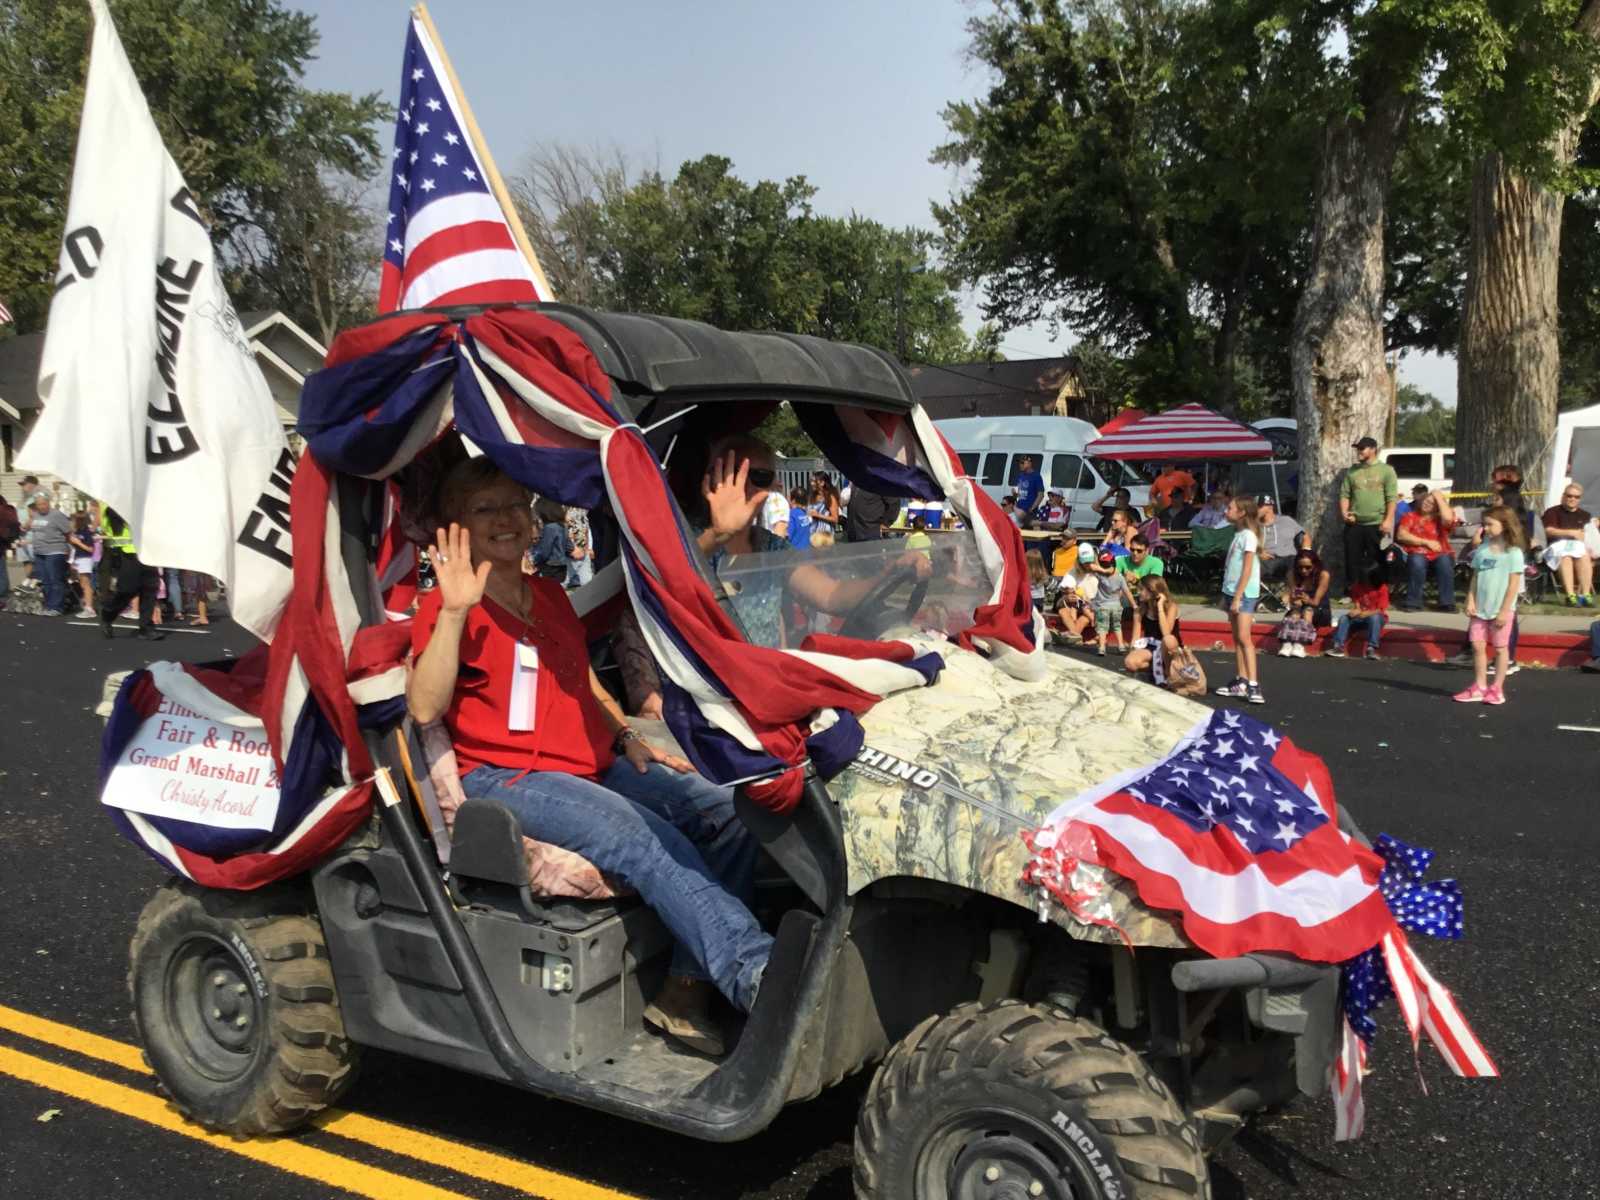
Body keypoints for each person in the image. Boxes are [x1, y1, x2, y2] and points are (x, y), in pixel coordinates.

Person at [408, 458, 773, 1055]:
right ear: (458, 527)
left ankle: (685, 991)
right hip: (509, 777)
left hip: (589, 763)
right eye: (484, 509)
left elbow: (582, 682)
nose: (505, 518)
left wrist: (626, 737)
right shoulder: (449, 606)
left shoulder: (550, 596)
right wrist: (452, 613)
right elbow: (424, 707)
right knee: (642, 837)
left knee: (731, 810)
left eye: (514, 505)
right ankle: (754, 974)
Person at [1455, 505, 1526, 705]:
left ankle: (1497, 688)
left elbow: (1513, 585)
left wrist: (1504, 611)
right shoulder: (1483, 549)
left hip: (1500, 609)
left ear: (1504, 525)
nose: (1485, 528)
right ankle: (1479, 685)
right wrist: (1470, 599)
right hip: (1480, 608)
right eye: (1484, 524)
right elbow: (1476, 577)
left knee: (1500, 648)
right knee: (1477, 645)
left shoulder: (1513, 553)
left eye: (1489, 524)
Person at [1214, 496, 1264, 704]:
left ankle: (1253, 684)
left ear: (1241, 513)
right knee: (1236, 638)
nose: (1226, 511)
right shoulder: (1239, 534)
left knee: (1244, 638)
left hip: (1243, 594)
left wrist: (1237, 597)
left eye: (1230, 508)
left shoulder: (1249, 537)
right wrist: (1227, 594)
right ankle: (1241, 680)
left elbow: (1247, 569)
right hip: (1232, 591)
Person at [1339, 436, 1398, 593]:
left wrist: (1388, 520)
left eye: (1362, 448)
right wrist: (1344, 513)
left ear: (1373, 449)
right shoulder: (1352, 471)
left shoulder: (1386, 470)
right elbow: (1345, 495)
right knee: (1352, 560)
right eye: (1357, 448)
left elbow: (1392, 498)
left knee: (1378, 558)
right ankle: (1353, 592)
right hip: (1355, 523)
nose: (1359, 451)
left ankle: (1377, 591)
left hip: (1377, 523)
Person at [97, 507, 163, 640]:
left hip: (147, 552)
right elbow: (107, 522)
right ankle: (108, 613)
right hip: (127, 554)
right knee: (128, 590)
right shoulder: (114, 505)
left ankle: (146, 629)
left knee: (150, 589)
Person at [1397, 490, 1459, 611]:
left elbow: (1448, 518)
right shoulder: (1410, 516)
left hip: (1441, 552)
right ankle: (1413, 602)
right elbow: (1401, 535)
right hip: (1417, 551)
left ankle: (1447, 603)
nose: (1427, 504)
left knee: (1445, 562)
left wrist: (1438, 497)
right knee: (1417, 561)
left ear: (1437, 506)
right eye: (1426, 501)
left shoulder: (1441, 519)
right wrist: (1426, 542)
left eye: (1432, 503)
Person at [1541, 483, 1594, 606]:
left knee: (1584, 556)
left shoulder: (1585, 515)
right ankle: (1570, 596)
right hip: (1556, 547)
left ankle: (1585, 595)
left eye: (1576, 497)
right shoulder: (1552, 512)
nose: (1572, 499)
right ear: (1563, 496)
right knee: (1566, 557)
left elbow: (1588, 534)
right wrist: (1571, 532)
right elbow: (1548, 531)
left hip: (1578, 547)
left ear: (1580, 499)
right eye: (1569, 496)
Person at [1124, 575, 1184, 685]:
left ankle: (1169, 673)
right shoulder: (1140, 610)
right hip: (1152, 646)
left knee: (1168, 640)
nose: (1138, 592)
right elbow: (1135, 638)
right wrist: (1132, 653)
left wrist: (1160, 607)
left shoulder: (1171, 607)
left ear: (1152, 591)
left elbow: (1166, 633)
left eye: (1141, 589)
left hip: (1170, 648)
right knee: (1130, 662)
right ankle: (1155, 671)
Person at [1276, 549, 1331, 658]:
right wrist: (1291, 598)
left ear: (1315, 565)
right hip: (1300, 608)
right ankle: (1287, 644)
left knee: (1307, 611)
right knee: (1294, 613)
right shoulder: (1292, 574)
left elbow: (1316, 602)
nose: (1303, 570)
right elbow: (1294, 598)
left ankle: (1300, 645)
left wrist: (1307, 599)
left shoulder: (1323, 575)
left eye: (1308, 567)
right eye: (1300, 567)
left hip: (1319, 609)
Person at [26, 492, 73, 616]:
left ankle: (57, 607)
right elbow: (30, 529)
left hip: (54, 551)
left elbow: (68, 531)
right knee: (45, 580)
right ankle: (49, 605)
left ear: (48, 503)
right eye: (39, 504)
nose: (42, 506)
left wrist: (68, 549)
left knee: (55, 579)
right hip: (39, 552)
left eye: (44, 504)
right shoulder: (35, 515)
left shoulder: (56, 515)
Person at [1325, 573, 1389, 659]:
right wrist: (1356, 610)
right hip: (1361, 616)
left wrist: (1367, 613)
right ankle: (1338, 647)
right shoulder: (1357, 586)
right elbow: (1357, 602)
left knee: (1374, 618)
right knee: (1344, 618)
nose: (1363, 579)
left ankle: (1371, 648)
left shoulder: (1382, 588)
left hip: (1375, 617)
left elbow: (1381, 609)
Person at [1053, 542, 1097, 644]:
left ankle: (1070, 637)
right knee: (1063, 611)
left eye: (1089, 561)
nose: (1087, 564)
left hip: (1092, 606)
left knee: (1084, 618)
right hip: (1077, 605)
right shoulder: (1072, 573)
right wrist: (1066, 598)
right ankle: (1076, 637)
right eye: (1084, 562)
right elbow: (1063, 595)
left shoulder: (1099, 571)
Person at [1088, 549, 1127, 656]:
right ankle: (1121, 646)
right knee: (1117, 626)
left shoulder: (1099, 575)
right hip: (1116, 606)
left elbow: (1092, 567)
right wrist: (1134, 604)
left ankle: (1102, 648)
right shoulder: (1120, 577)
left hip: (1103, 606)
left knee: (1102, 628)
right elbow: (1126, 591)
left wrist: (1097, 564)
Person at [1256, 498, 1304, 582]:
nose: (1255, 509)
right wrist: (1258, 552)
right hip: (1266, 561)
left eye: (1258, 507)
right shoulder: (1253, 525)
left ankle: (1293, 590)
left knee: (1295, 564)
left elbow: (1304, 536)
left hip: (1288, 559)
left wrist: (1306, 550)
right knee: (1250, 565)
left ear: (1270, 507)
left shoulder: (1286, 520)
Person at [530, 499, 572, 581]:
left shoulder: (549, 528)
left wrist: (534, 560)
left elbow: (545, 551)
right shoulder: (563, 526)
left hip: (550, 567)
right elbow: (569, 546)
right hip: (562, 566)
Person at [68, 510, 97, 618]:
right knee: (81, 583)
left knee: (86, 583)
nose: (77, 521)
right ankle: (86, 604)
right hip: (78, 558)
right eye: (76, 519)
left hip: (85, 558)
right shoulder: (77, 531)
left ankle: (89, 608)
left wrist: (78, 542)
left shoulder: (86, 532)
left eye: (80, 519)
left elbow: (90, 549)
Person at [565, 507, 594, 590]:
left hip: (584, 555)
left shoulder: (581, 508)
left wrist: (589, 547)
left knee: (588, 585)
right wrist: (570, 549)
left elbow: (586, 528)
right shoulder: (560, 508)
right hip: (567, 556)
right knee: (560, 585)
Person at [0, 490, 20, 610]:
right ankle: (3, 597)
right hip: (4, 543)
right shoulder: (8, 509)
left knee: (2, 571)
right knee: (2, 571)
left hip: (2, 542)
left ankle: (2, 597)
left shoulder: (4, 510)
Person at [1014, 454, 1044, 528]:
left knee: (1027, 531)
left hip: (1028, 512)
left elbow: (1041, 494)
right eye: (1019, 463)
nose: (1020, 465)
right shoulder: (1021, 475)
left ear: (1029, 463)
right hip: (1019, 510)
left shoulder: (1036, 476)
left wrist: (1032, 508)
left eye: (1022, 463)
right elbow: (1020, 493)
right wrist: (1015, 494)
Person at [808, 472, 843, 536]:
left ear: (822, 483)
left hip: (825, 535)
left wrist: (818, 515)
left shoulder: (830, 497)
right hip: (813, 534)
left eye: (814, 481)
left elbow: (835, 519)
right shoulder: (813, 496)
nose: (811, 483)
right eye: (811, 481)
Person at [783, 487, 815, 551]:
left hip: (795, 552)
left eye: (788, 497)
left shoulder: (791, 514)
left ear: (793, 500)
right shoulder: (804, 514)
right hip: (807, 551)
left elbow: (788, 536)